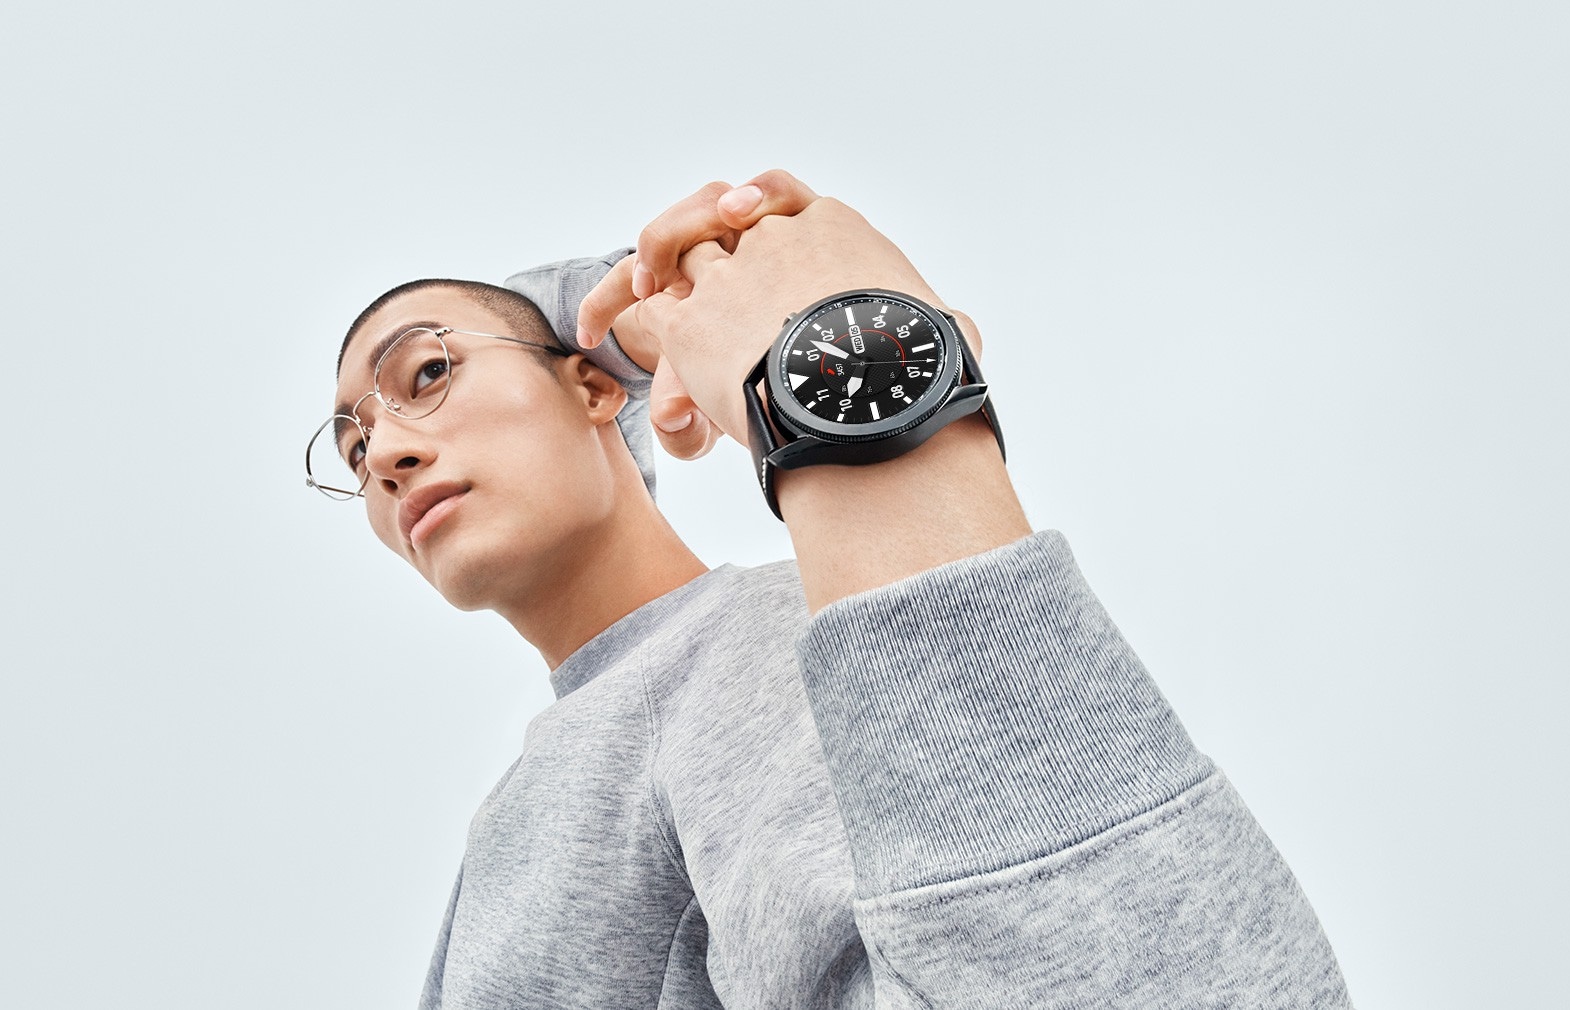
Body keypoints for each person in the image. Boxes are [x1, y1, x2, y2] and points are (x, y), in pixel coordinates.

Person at [314, 169, 1353, 1008]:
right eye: (354, 443)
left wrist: (813, 349)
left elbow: (1134, 972)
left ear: (593, 388)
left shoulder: (747, 657)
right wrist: (635, 325)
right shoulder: (547, 771)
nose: (389, 451)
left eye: (428, 373)